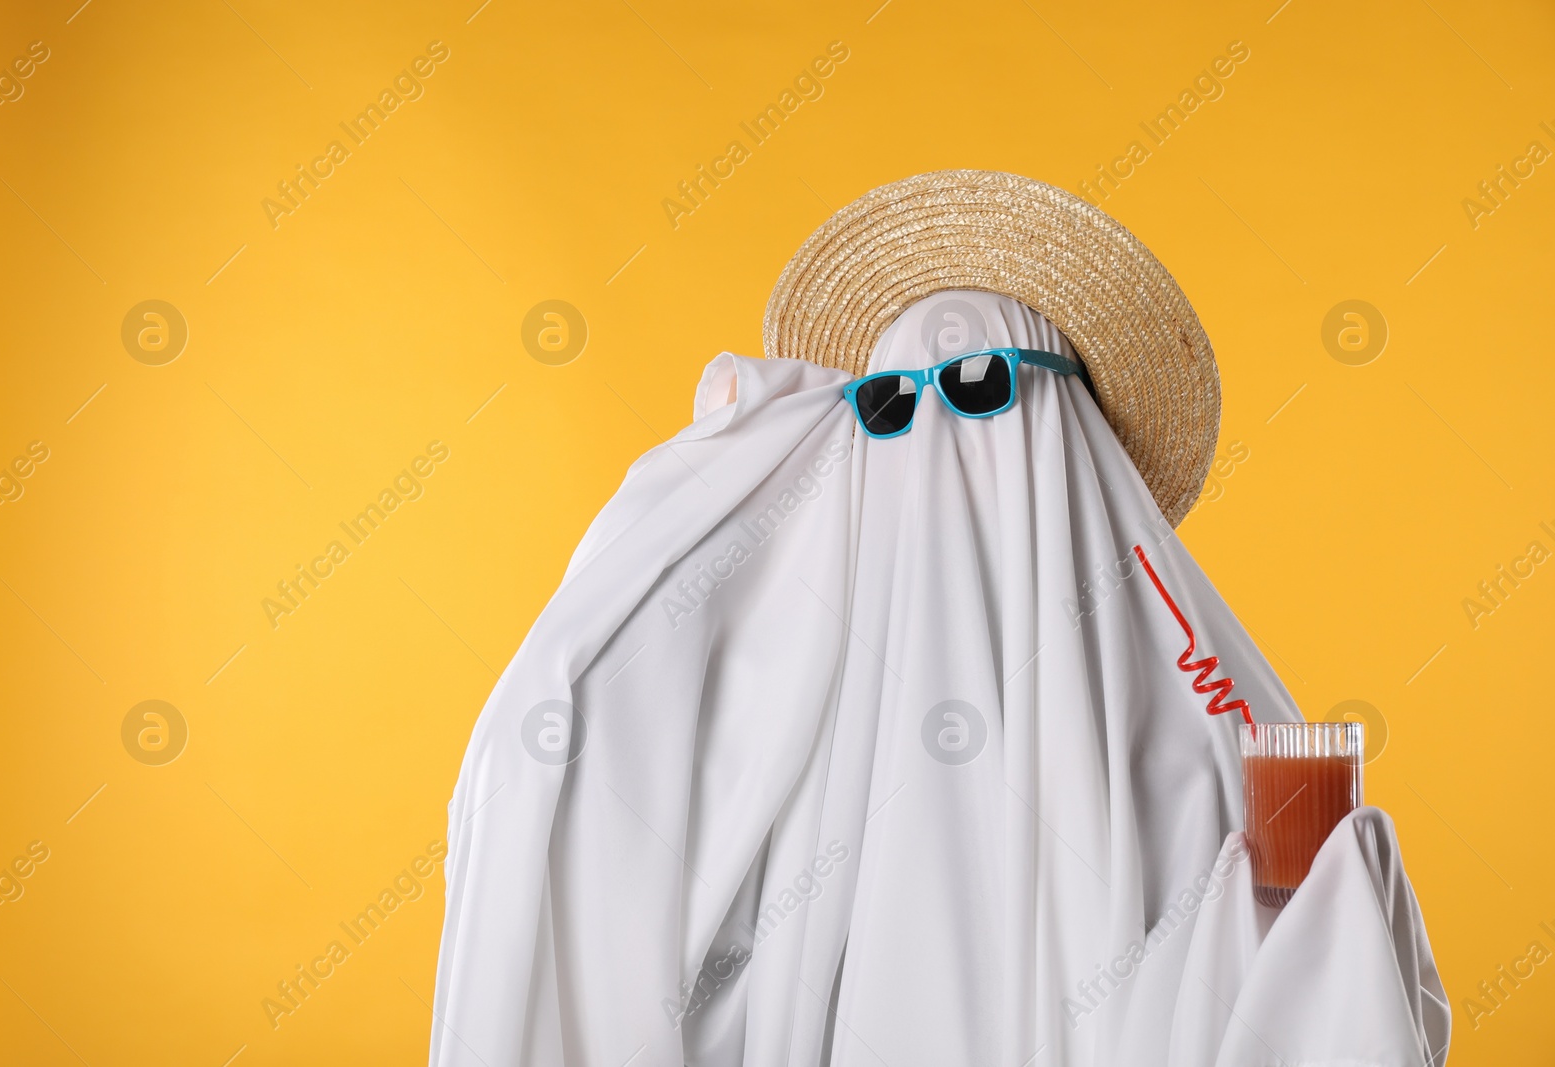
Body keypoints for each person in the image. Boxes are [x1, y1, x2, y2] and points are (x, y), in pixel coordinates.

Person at [429, 172, 1448, 1066]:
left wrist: (1293, 903)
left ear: (1067, 428)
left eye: (973, 387)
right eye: (885, 406)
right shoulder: (786, 695)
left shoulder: (1192, 691)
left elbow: (1286, 968)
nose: (927, 433)